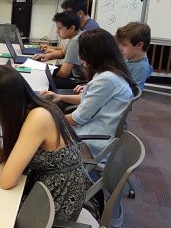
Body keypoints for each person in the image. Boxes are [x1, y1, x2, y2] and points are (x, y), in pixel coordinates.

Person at [0, 65, 86, 228]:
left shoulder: (38, 117)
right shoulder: (32, 108)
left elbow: (7, 181)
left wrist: (7, 157)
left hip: (55, 212)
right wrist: (1, 152)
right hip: (46, 190)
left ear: (5, 101)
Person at [42, 28, 136, 157]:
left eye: (82, 53)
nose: (80, 58)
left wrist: (46, 119)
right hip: (92, 132)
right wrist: (59, 97)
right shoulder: (109, 73)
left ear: (94, 54)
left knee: (38, 138)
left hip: (89, 142)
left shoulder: (106, 79)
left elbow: (76, 119)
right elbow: (89, 100)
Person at [34, 10, 84, 88]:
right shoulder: (78, 35)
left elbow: (64, 73)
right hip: (74, 75)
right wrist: (48, 56)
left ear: (72, 28)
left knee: (41, 80)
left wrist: (42, 69)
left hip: (79, 80)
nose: (57, 31)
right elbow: (63, 53)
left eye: (59, 28)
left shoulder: (75, 41)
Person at [116, 22, 153, 90]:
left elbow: (132, 93)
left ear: (139, 45)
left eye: (124, 45)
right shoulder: (129, 58)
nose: (120, 48)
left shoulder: (141, 68)